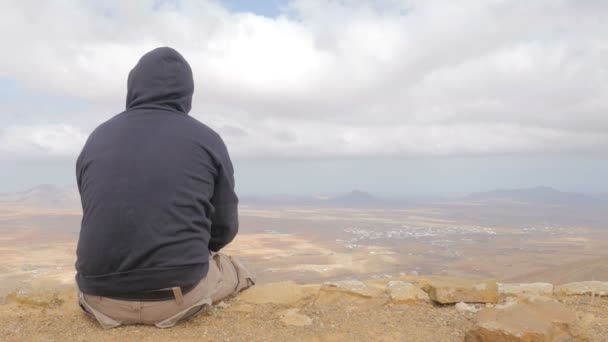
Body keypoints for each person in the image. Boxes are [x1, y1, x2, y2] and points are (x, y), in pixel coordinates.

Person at [74, 47, 255, 329]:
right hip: (177, 296)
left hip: (99, 298)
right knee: (237, 270)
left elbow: (97, 209)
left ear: (133, 86)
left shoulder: (97, 137)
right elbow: (224, 228)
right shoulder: (207, 139)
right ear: (187, 92)